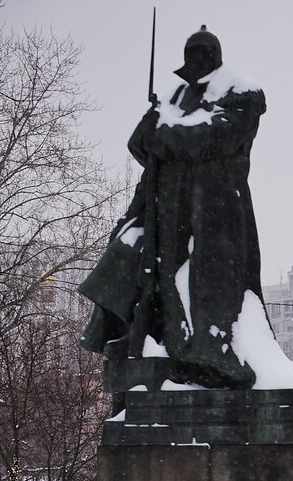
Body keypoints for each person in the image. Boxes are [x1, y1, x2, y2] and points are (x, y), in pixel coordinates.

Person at [79, 26, 267, 389]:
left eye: (204, 52)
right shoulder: (174, 97)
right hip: (166, 204)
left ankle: (209, 352)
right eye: (192, 52)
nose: (198, 58)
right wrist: (154, 126)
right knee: (128, 252)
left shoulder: (241, 92)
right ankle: (140, 335)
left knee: (206, 281)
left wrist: (165, 134)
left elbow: (215, 138)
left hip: (215, 208)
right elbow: (139, 144)